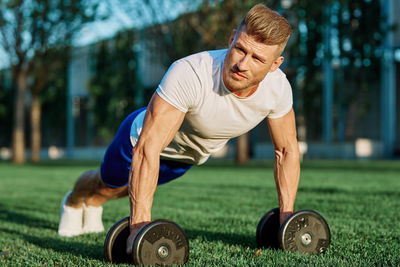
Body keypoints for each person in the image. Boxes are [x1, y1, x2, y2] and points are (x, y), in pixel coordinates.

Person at [58, 3, 300, 254]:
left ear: (275, 64)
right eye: (240, 49)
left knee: (122, 191)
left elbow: (286, 151)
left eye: (257, 58)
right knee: (106, 183)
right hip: (138, 141)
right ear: (231, 38)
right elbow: (148, 148)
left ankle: (94, 204)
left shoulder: (278, 90)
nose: (242, 64)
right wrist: (138, 229)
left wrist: (287, 220)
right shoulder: (191, 73)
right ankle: (74, 202)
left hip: (183, 159)